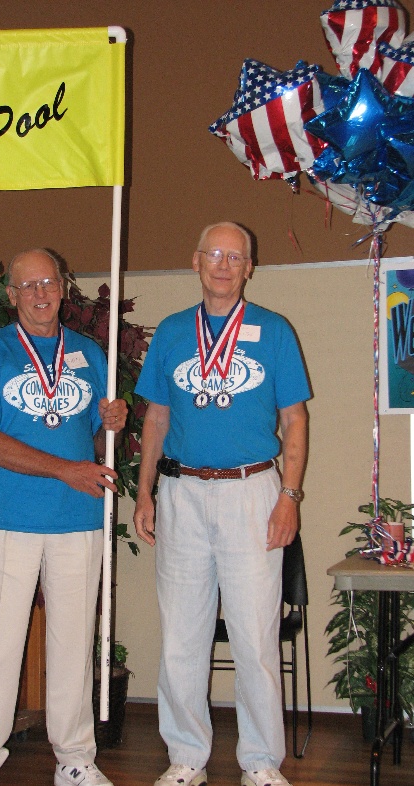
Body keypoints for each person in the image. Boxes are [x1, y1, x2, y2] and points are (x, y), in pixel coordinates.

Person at [133, 222, 310, 786]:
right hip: (181, 492)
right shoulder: (172, 333)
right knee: (182, 635)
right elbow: (155, 417)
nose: (224, 264)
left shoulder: (275, 330)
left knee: (256, 637)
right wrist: (144, 491)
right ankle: (186, 757)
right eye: (215, 253)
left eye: (236, 256)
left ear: (250, 267)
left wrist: (289, 496)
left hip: (253, 492)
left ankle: (260, 762)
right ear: (195, 261)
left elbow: (295, 419)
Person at [0, 248, 127, 786]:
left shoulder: (92, 353)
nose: (41, 293)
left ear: (64, 286)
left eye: (49, 282)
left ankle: (74, 759)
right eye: (29, 286)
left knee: (75, 646)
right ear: (12, 296)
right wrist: (64, 470)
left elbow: (90, 441)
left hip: (78, 519)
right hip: (11, 521)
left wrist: (110, 425)